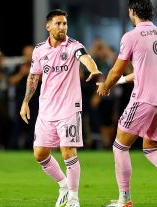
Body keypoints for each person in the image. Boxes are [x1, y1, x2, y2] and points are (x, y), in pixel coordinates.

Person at [96, 0, 157, 206]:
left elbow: (116, 69)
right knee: (151, 149)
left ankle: (124, 200)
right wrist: (121, 80)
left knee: (120, 146)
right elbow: (144, 71)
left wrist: (106, 86)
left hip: (144, 98)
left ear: (132, 12)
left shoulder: (132, 36)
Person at [19, 9, 102, 207]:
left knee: (68, 152)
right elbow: (34, 77)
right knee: (40, 154)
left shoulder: (74, 46)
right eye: (58, 23)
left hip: (69, 109)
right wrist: (25, 102)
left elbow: (85, 57)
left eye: (64, 23)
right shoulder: (39, 50)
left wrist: (94, 69)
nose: (62, 27)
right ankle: (64, 185)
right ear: (48, 26)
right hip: (46, 109)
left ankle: (74, 198)